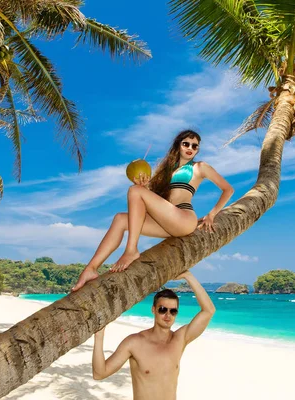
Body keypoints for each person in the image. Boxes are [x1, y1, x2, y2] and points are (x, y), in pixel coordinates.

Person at [72, 129, 234, 291]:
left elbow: (228, 189)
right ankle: (90, 269)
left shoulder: (200, 167)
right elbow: (152, 202)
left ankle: (131, 250)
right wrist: (145, 186)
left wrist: (212, 214)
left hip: (183, 218)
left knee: (134, 190)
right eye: (186, 144)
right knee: (120, 219)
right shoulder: (164, 171)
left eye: (195, 146)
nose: (190, 148)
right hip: (166, 222)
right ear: (178, 145)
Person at [92, 270, 215, 400]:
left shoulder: (179, 339)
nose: (168, 315)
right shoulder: (134, 342)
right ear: (153, 310)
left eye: (173, 311)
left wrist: (188, 276)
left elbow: (209, 310)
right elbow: (99, 373)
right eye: (163, 310)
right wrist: (99, 336)